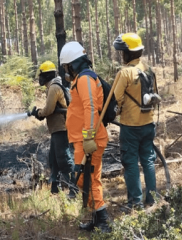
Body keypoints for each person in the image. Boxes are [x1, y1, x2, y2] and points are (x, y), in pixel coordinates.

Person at [59, 41, 111, 233]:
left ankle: (103, 221)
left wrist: (89, 136)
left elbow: (90, 107)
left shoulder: (85, 79)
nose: (67, 71)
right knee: (86, 179)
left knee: (86, 179)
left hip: (90, 139)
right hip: (83, 139)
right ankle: (97, 218)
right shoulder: (81, 78)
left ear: (73, 64)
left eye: (67, 67)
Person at [113, 33, 158, 210]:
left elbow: (115, 99)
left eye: (122, 52)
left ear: (128, 54)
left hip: (130, 126)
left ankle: (135, 202)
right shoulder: (148, 69)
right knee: (148, 160)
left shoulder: (125, 73)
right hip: (148, 124)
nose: (121, 55)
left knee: (131, 162)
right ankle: (152, 198)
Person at [29, 60, 76, 199]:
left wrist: (39, 113)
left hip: (61, 127)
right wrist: (39, 113)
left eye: (42, 75)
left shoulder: (54, 87)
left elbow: (49, 109)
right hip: (57, 128)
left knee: (64, 159)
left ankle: (74, 189)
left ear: (48, 75)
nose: (40, 78)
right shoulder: (54, 85)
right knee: (53, 159)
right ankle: (55, 187)